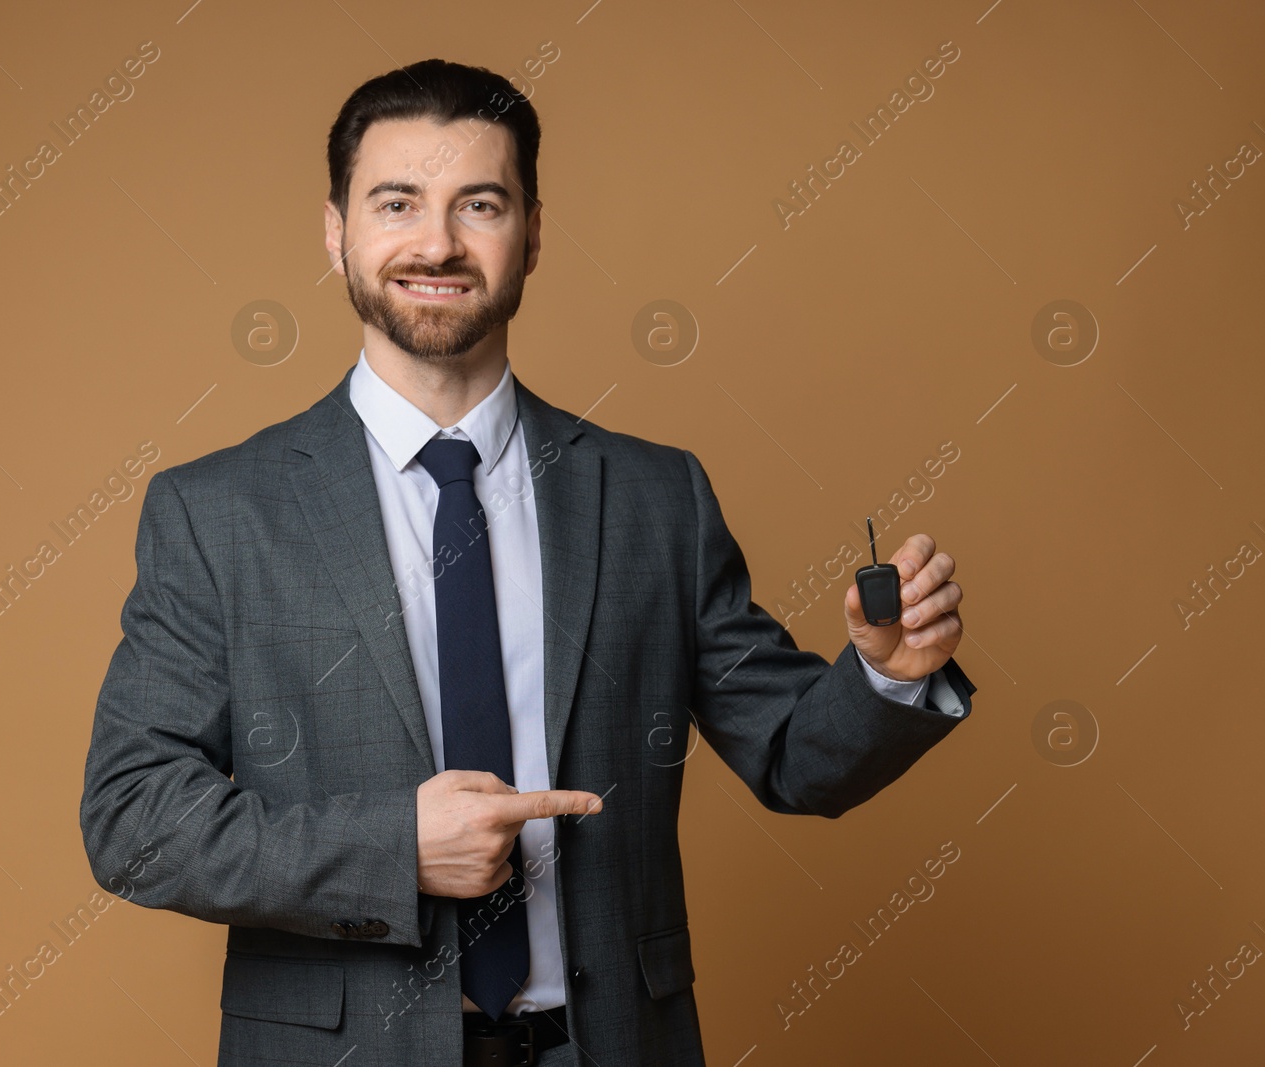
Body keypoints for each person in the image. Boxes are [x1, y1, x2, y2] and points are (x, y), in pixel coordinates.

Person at [79, 57, 976, 1067]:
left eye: (480, 203)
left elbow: (789, 752)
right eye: (397, 202)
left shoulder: (654, 497)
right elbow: (135, 817)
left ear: (533, 232)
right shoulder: (217, 512)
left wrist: (884, 679)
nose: (437, 242)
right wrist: (393, 849)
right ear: (334, 232)